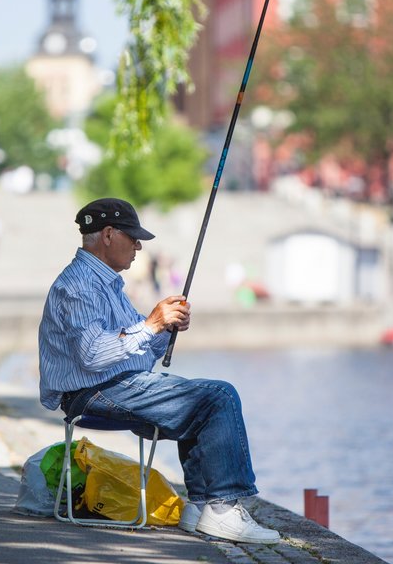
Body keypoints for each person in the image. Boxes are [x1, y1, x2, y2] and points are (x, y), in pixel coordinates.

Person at [37, 197, 279, 545]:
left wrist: (165, 329)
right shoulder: (79, 286)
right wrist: (151, 325)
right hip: (92, 393)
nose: (138, 246)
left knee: (201, 400)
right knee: (218, 397)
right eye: (132, 237)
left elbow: (136, 350)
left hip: (115, 385)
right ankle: (224, 509)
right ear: (107, 235)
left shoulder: (107, 285)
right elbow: (92, 354)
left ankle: (201, 506)